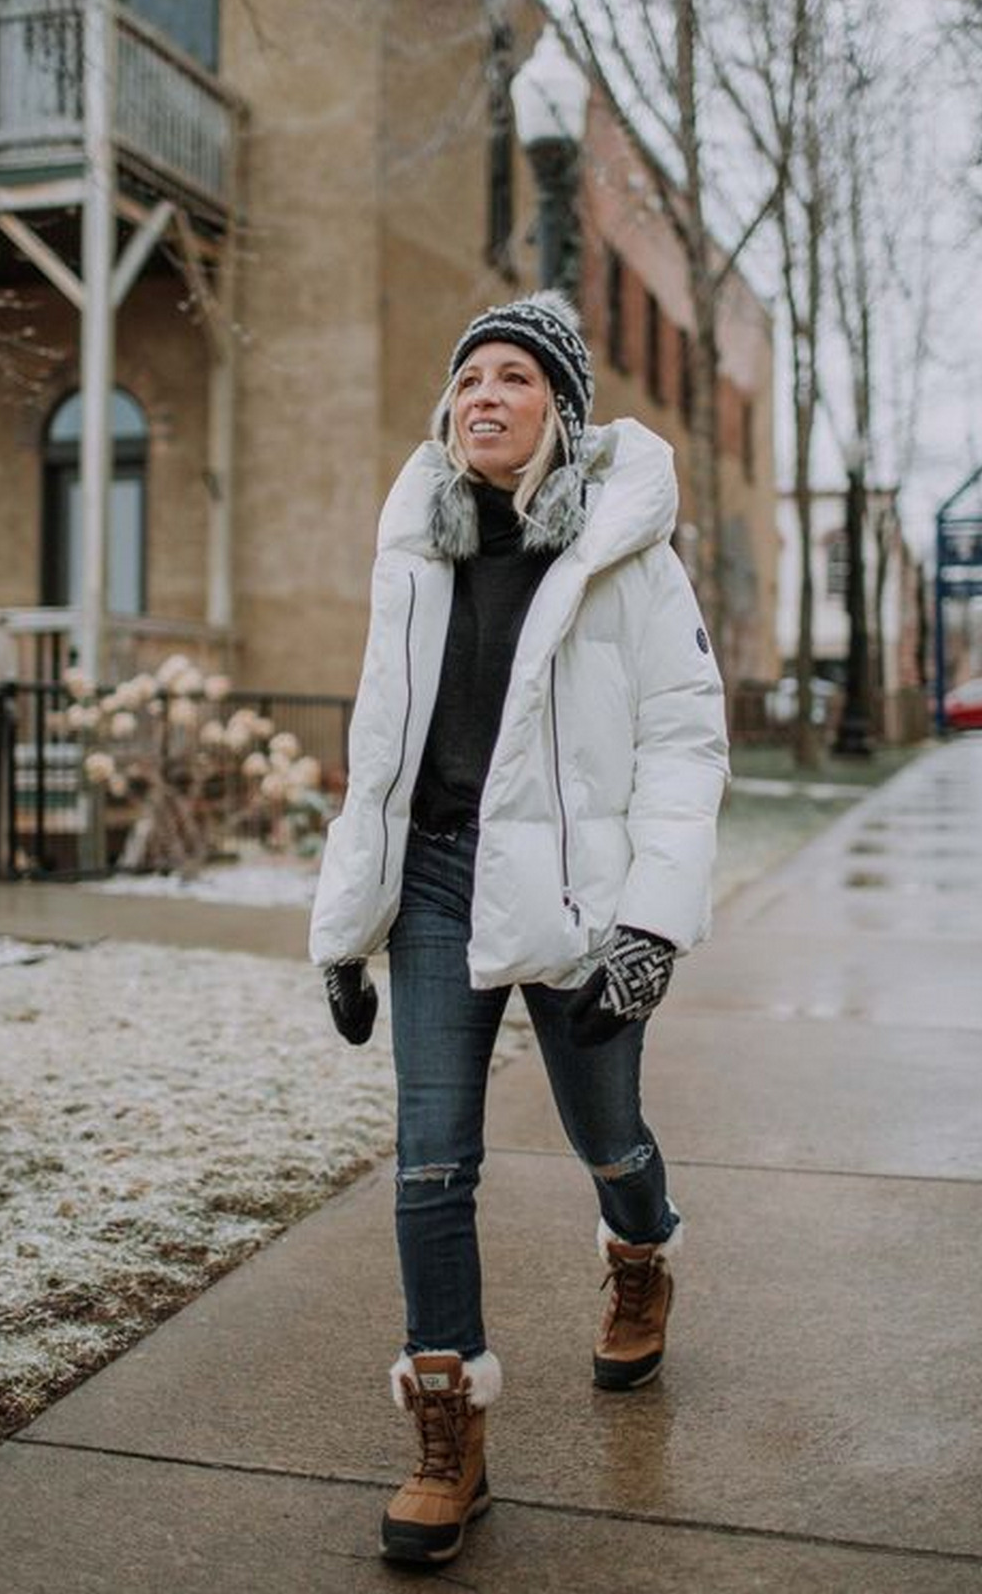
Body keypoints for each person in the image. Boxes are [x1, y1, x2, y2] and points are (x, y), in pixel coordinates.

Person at [310, 290, 727, 1567]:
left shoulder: (623, 552)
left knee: (606, 1133)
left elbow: (684, 738)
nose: (485, 396)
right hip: (438, 883)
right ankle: (448, 1426)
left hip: (577, 896)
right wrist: (344, 922)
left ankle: (640, 1249)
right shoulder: (418, 548)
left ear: (564, 409)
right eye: (470, 379)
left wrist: (651, 923)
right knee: (431, 1161)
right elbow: (378, 753)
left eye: (517, 378)